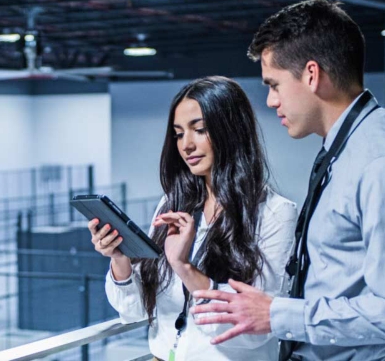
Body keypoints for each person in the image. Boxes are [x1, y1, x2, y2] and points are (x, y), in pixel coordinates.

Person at [191, 0, 385, 361]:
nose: (270, 101)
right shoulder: (349, 148)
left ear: (312, 75)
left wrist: (278, 315)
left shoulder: (384, 161)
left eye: (274, 85)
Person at [88, 76, 297, 360]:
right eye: (178, 133)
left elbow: (255, 331)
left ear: (231, 131)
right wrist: (120, 259)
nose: (186, 145)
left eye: (199, 130)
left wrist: (184, 267)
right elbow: (134, 310)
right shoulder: (173, 204)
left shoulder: (275, 213)